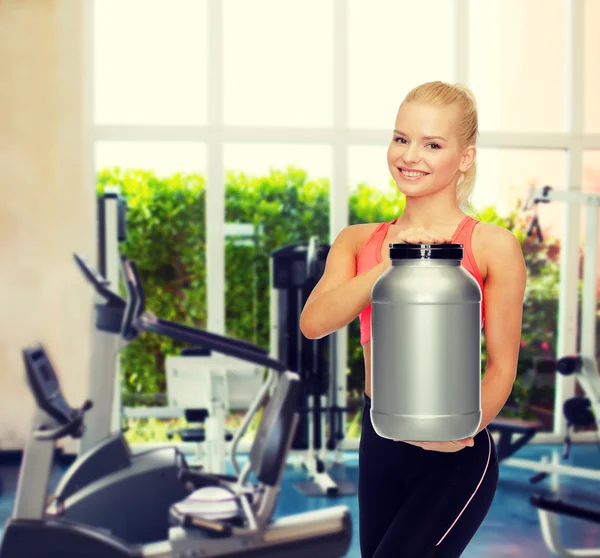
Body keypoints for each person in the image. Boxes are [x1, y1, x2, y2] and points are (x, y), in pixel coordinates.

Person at [299, 81, 527, 557]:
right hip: (380, 438)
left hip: (456, 455)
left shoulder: (491, 245)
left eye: (433, 144)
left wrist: (459, 430)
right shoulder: (358, 241)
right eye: (401, 138)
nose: (411, 156)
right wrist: (393, 263)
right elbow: (315, 321)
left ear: (465, 157)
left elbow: (503, 367)